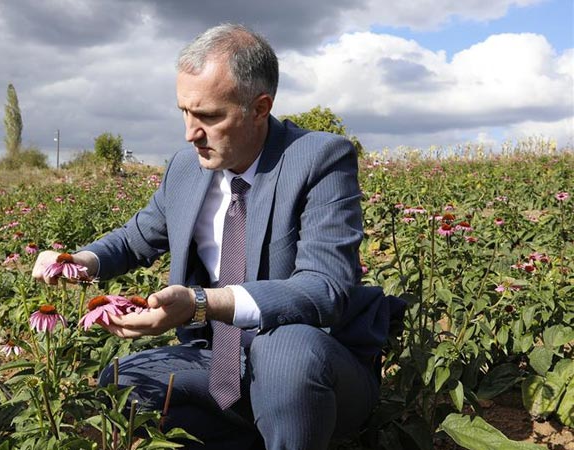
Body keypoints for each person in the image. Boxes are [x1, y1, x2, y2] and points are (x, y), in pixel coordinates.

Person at [33, 23, 403, 450]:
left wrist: (202, 304)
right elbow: (137, 237)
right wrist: (79, 261)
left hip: (317, 366)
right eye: (185, 112)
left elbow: (325, 289)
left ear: (260, 108)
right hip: (221, 362)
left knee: (284, 352)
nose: (191, 132)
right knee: (123, 382)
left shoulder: (319, 159)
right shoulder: (187, 168)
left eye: (209, 116)